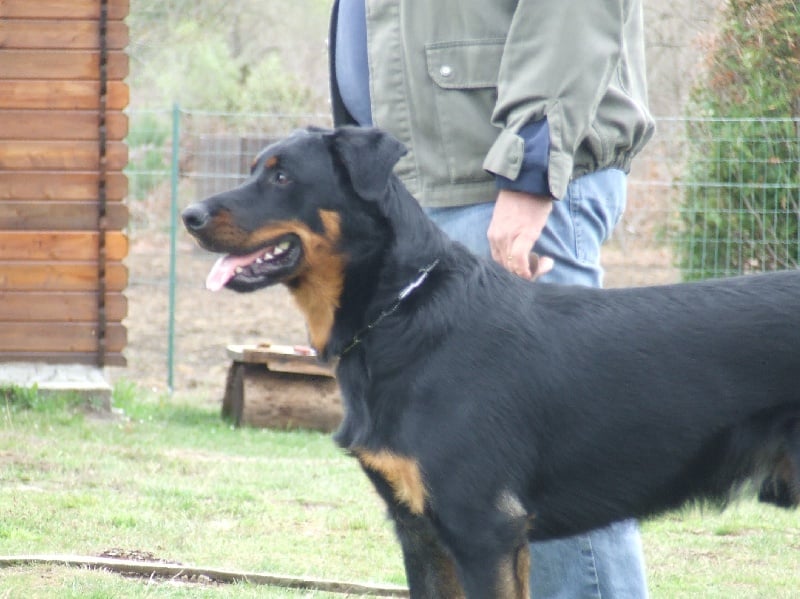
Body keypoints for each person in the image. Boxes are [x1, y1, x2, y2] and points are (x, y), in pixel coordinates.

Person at [328, 1, 655, 597]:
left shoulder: (522, 177)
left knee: (554, 461)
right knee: (460, 481)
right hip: (424, 187)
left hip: (507, 182)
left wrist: (533, 165)